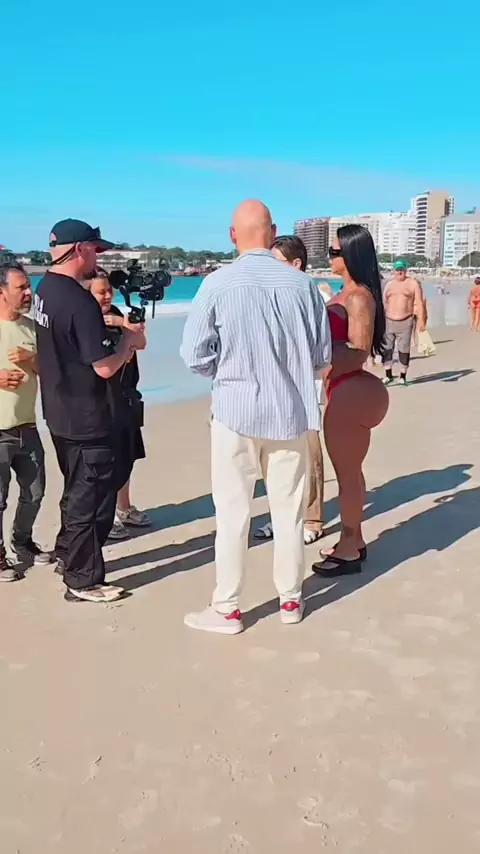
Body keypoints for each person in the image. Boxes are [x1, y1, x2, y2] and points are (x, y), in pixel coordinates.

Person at [181, 200, 331, 634]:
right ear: (273, 231)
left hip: (235, 411)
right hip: (291, 411)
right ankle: (291, 600)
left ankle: (227, 607)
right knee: (289, 512)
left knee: (232, 514)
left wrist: (226, 371)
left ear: (232, 235)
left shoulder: (217, 283)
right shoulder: (303, 285)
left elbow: (194, 354)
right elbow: (321, 355)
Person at [34, 219, 143, 603]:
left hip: (59, 412)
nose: (99, 257)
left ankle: (69, 556)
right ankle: (82, 580)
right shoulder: (78, 301)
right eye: (96, 250)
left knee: (76, 491)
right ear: (79, 249)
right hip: (88, 417)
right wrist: (128, 342)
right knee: (91, 498)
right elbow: (105, 366)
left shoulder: (45, 289)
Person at [312, 224, 389, 577]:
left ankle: (349, 546)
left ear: (352, 255)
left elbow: (358, 352)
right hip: (347, 389)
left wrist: (315, 357)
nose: (329, 257)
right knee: (351, 473)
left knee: (346, 475)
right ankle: (353, 540)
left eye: (335, 252)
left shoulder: (357, 297)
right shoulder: (347, 293)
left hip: (351, 390)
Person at [254, 235, 326, 545]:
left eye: (277, 263)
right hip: (272, 389)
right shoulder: (267, 295)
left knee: (308, 455)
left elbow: (321, 349)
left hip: (305, 389)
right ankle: (279, 515)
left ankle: (312, 518)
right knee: (274, 458)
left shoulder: (313, 294)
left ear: (296, 264)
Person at [84, 269, 149, 540]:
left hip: (127, 394)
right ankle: (105, 516)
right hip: (102, 400)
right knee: (107, 462)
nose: (107, 296)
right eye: (101, 292)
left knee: (127, 455)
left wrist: (124, 324)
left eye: (109, 290)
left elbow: (141, 343)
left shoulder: (117, 314)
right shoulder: (86, 320)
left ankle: (124, 507)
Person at [0, 263, 50, 582]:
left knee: (35, 492)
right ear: (2, 292)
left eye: (29, 286)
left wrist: (32, 359)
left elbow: (50, 371)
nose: (29, 292)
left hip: (28, 426)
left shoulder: (33, 328)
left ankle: (22, 542)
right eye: (21, 287)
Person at [382, 259, 426, 385]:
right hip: (389, 320)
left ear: (405, 270)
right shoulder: (389, 285)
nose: (399, 271)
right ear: (394, 271)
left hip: (406, 321)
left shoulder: (412, 284)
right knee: (387, 348)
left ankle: (402, 376)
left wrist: (422, 321)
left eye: (401, 269)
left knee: (404, 349)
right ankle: (388, 375)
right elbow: (383, 302)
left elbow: (419, 303)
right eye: (397, 269)